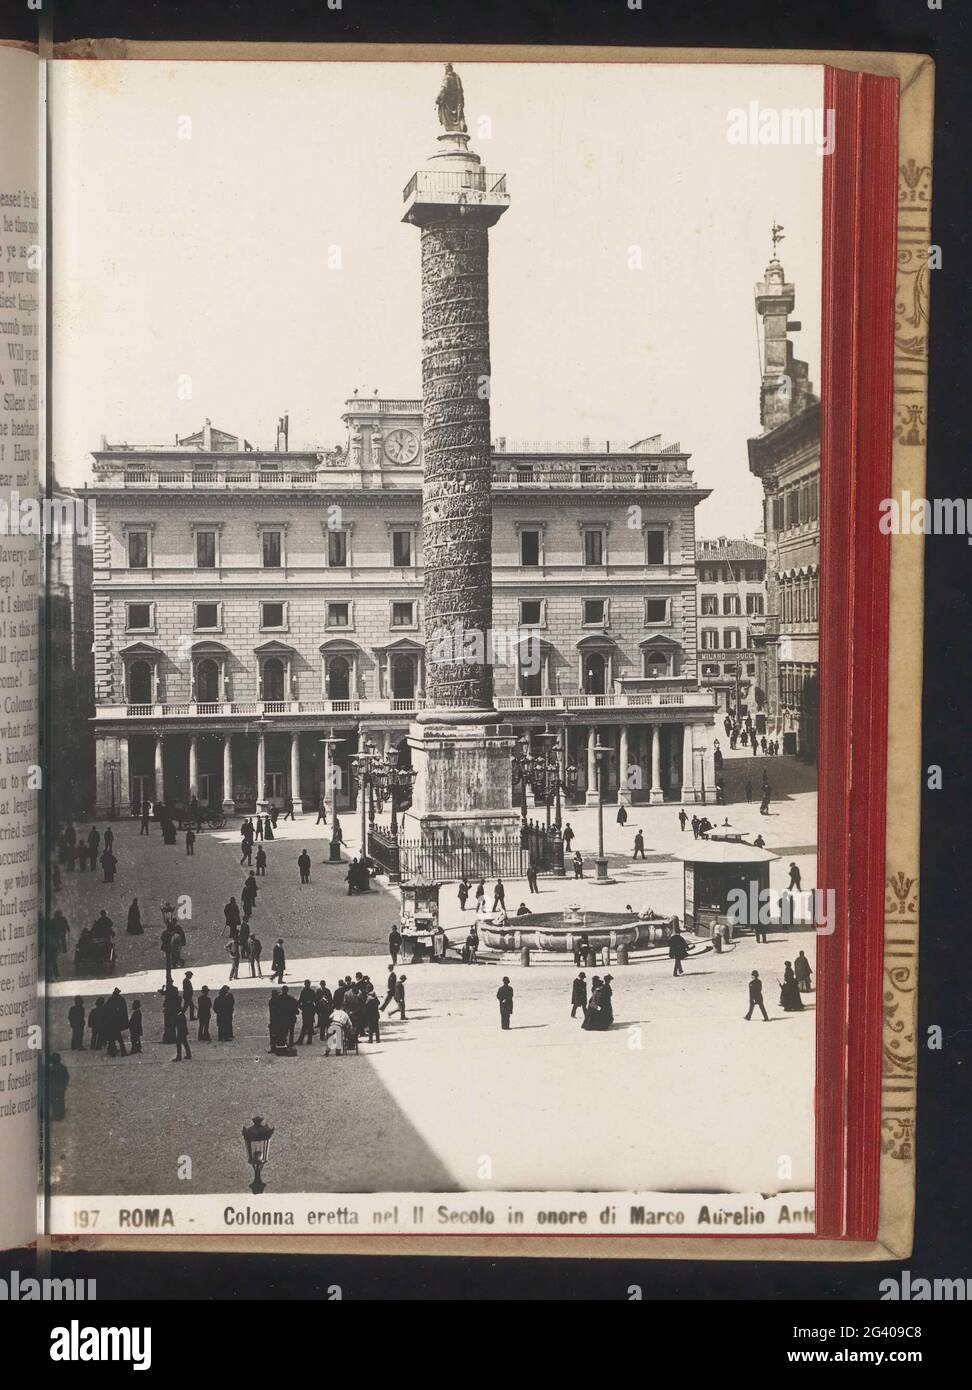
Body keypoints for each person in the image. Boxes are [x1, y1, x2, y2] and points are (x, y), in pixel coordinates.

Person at [103, 988, 129, 1057]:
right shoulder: (121, 999)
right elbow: (123, 1011)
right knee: (119, 1038)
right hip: (117, 1022)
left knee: (112, 1038)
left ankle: (112, 1051)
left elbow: (106, 1008)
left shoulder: (111, 999)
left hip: (111, 1022)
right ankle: (122, 1051)